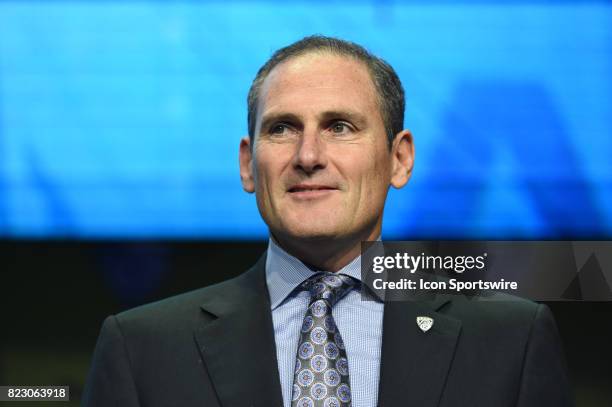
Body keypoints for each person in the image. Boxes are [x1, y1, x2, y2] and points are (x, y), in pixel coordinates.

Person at [82, 36, 573, 407]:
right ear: (248, 165)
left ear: (399, 159)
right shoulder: (141, 349)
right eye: (282, 129)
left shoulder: (512, 340)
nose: (309, 155)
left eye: (340, 127)